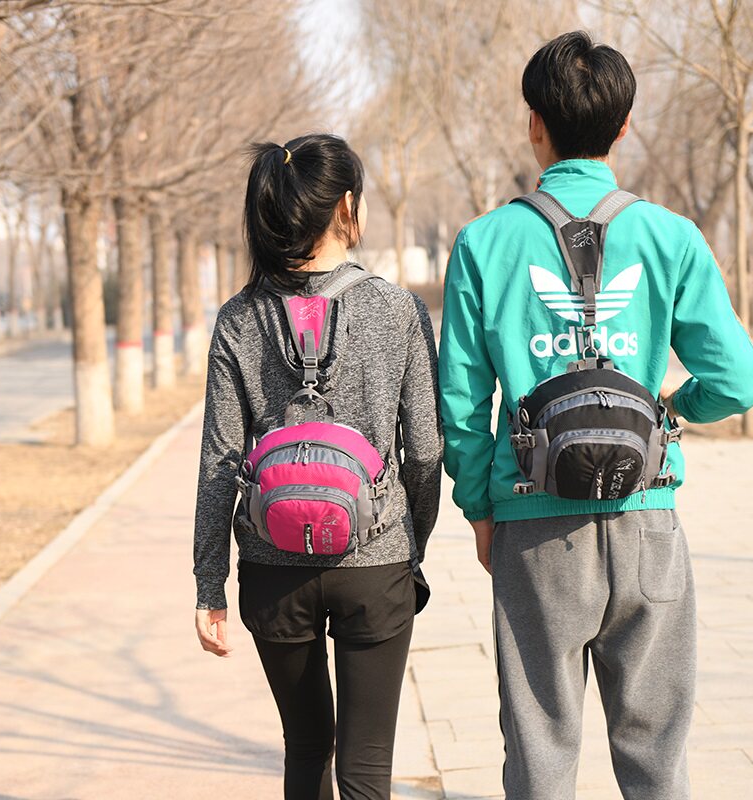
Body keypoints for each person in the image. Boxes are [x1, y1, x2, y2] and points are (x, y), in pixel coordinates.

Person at [439, 31, 753, 800]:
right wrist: (670, 411)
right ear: (625, 127)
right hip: (647, 518)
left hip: (532, 523)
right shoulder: (671, 236)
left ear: (534, 123)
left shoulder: (484, 243)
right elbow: (738, 382)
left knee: (540, 754)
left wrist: (480, 509)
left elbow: (461, 407)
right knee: (657, 759)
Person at [192, 133, 442, 800]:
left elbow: (219, 460)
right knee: (367, 769)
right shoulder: (398, 309)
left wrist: (209, 583)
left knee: (306, 750)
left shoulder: (239, 318)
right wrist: (409, 543)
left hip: (273, 567)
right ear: (347, 208)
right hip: (377, 563)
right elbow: (425, 450)